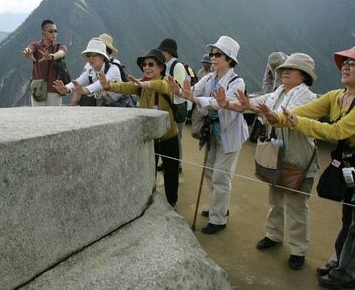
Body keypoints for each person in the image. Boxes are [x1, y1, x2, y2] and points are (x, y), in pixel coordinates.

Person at [258, 41, 355, 289]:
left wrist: (292, 122)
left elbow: (337, 130)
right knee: (348, 218)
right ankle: (339, 262)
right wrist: (276, 118)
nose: (346, 65)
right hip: (350, 164)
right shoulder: (338, 96)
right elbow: (303, 111)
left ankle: (348, 273)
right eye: (346, 61)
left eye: (353, 62)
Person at [221, 53, 318, 270]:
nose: (284, 72)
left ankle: (298, 250)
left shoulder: (308, 98)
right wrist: (230, 103)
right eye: (284, 68)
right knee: (275, 199)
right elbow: (254, 103)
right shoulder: (278, 92)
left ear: (303, 76)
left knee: (297, 206)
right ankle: (274, 235)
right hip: (277, 158)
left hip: (298, 161)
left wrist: (253, 108)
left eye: (290, 69)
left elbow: (284, 117)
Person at [171, 35, 249, 234]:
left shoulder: (236, 82)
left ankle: (218, 218)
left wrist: (195, 98)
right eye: (212, 54)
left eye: (217, 55)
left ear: (229, 59)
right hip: (213, 133)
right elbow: (193, 91)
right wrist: (180, 92)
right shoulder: (210, 78)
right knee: (210, 172)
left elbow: (218, 103)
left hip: (228, 135)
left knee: (221, 177)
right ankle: (219, 207)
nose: (212, 58)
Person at [98, 48, 180, 209]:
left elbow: (160, 86)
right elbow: (125, 86)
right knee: (149, 171)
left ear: (161, 68)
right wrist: (109, 86)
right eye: (144, 64)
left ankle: (172, 202)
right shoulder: (140, 84)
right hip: (150, 137)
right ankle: (150, 201)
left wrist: (144, 83)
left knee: (171, 172)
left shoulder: (167, 83)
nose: (147, 68)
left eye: (151, 64)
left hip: (169, 136)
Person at [53, 39, 123, 105]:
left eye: (94, 55)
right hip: (105, 105)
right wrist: (66, 88)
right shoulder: (90, 72)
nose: (90, 58)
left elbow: (99, 84)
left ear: (103, 56)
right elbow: (79, 81)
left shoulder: (114, 69)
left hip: (120, 105)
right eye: (88, 55)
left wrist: (84, 90)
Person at [157, 38, 188, 171]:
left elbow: (178, 87)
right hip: (168, 107)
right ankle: (167, 162)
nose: (161, 53)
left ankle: (177, 163)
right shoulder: (166, 66)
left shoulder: (178, 66)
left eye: (162, 51)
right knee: (167, 136)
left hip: (176, 107)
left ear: (169, 53)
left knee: (176, 136)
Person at [22, 19, 67, 106]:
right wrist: (28, 52)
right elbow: (30, 49)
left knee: (54, 118)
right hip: (38, 89)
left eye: (55, 31)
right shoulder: (36, 45)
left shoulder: (60, 46)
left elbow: (61, 53)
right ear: (43, 33)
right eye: (51, 31)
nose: (54, 33)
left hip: (54, 90)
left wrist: (51, 56)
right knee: (38, 117)